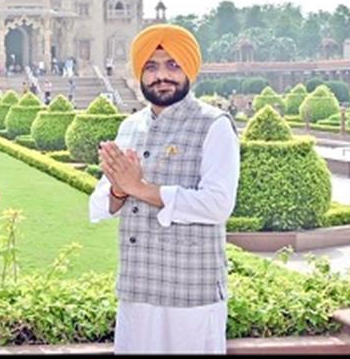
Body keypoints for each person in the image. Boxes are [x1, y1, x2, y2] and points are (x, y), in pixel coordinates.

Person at [88, 23, 239, 354]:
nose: (162, 76)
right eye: (152, 67)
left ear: (189, 70)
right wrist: (118, 189)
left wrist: (139, 187)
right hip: (138, 286)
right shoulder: (130, 126)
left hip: (191, 291)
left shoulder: (213, 125)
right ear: (140, 74)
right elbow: (99, 205)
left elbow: (217, 204)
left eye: (173, 65)